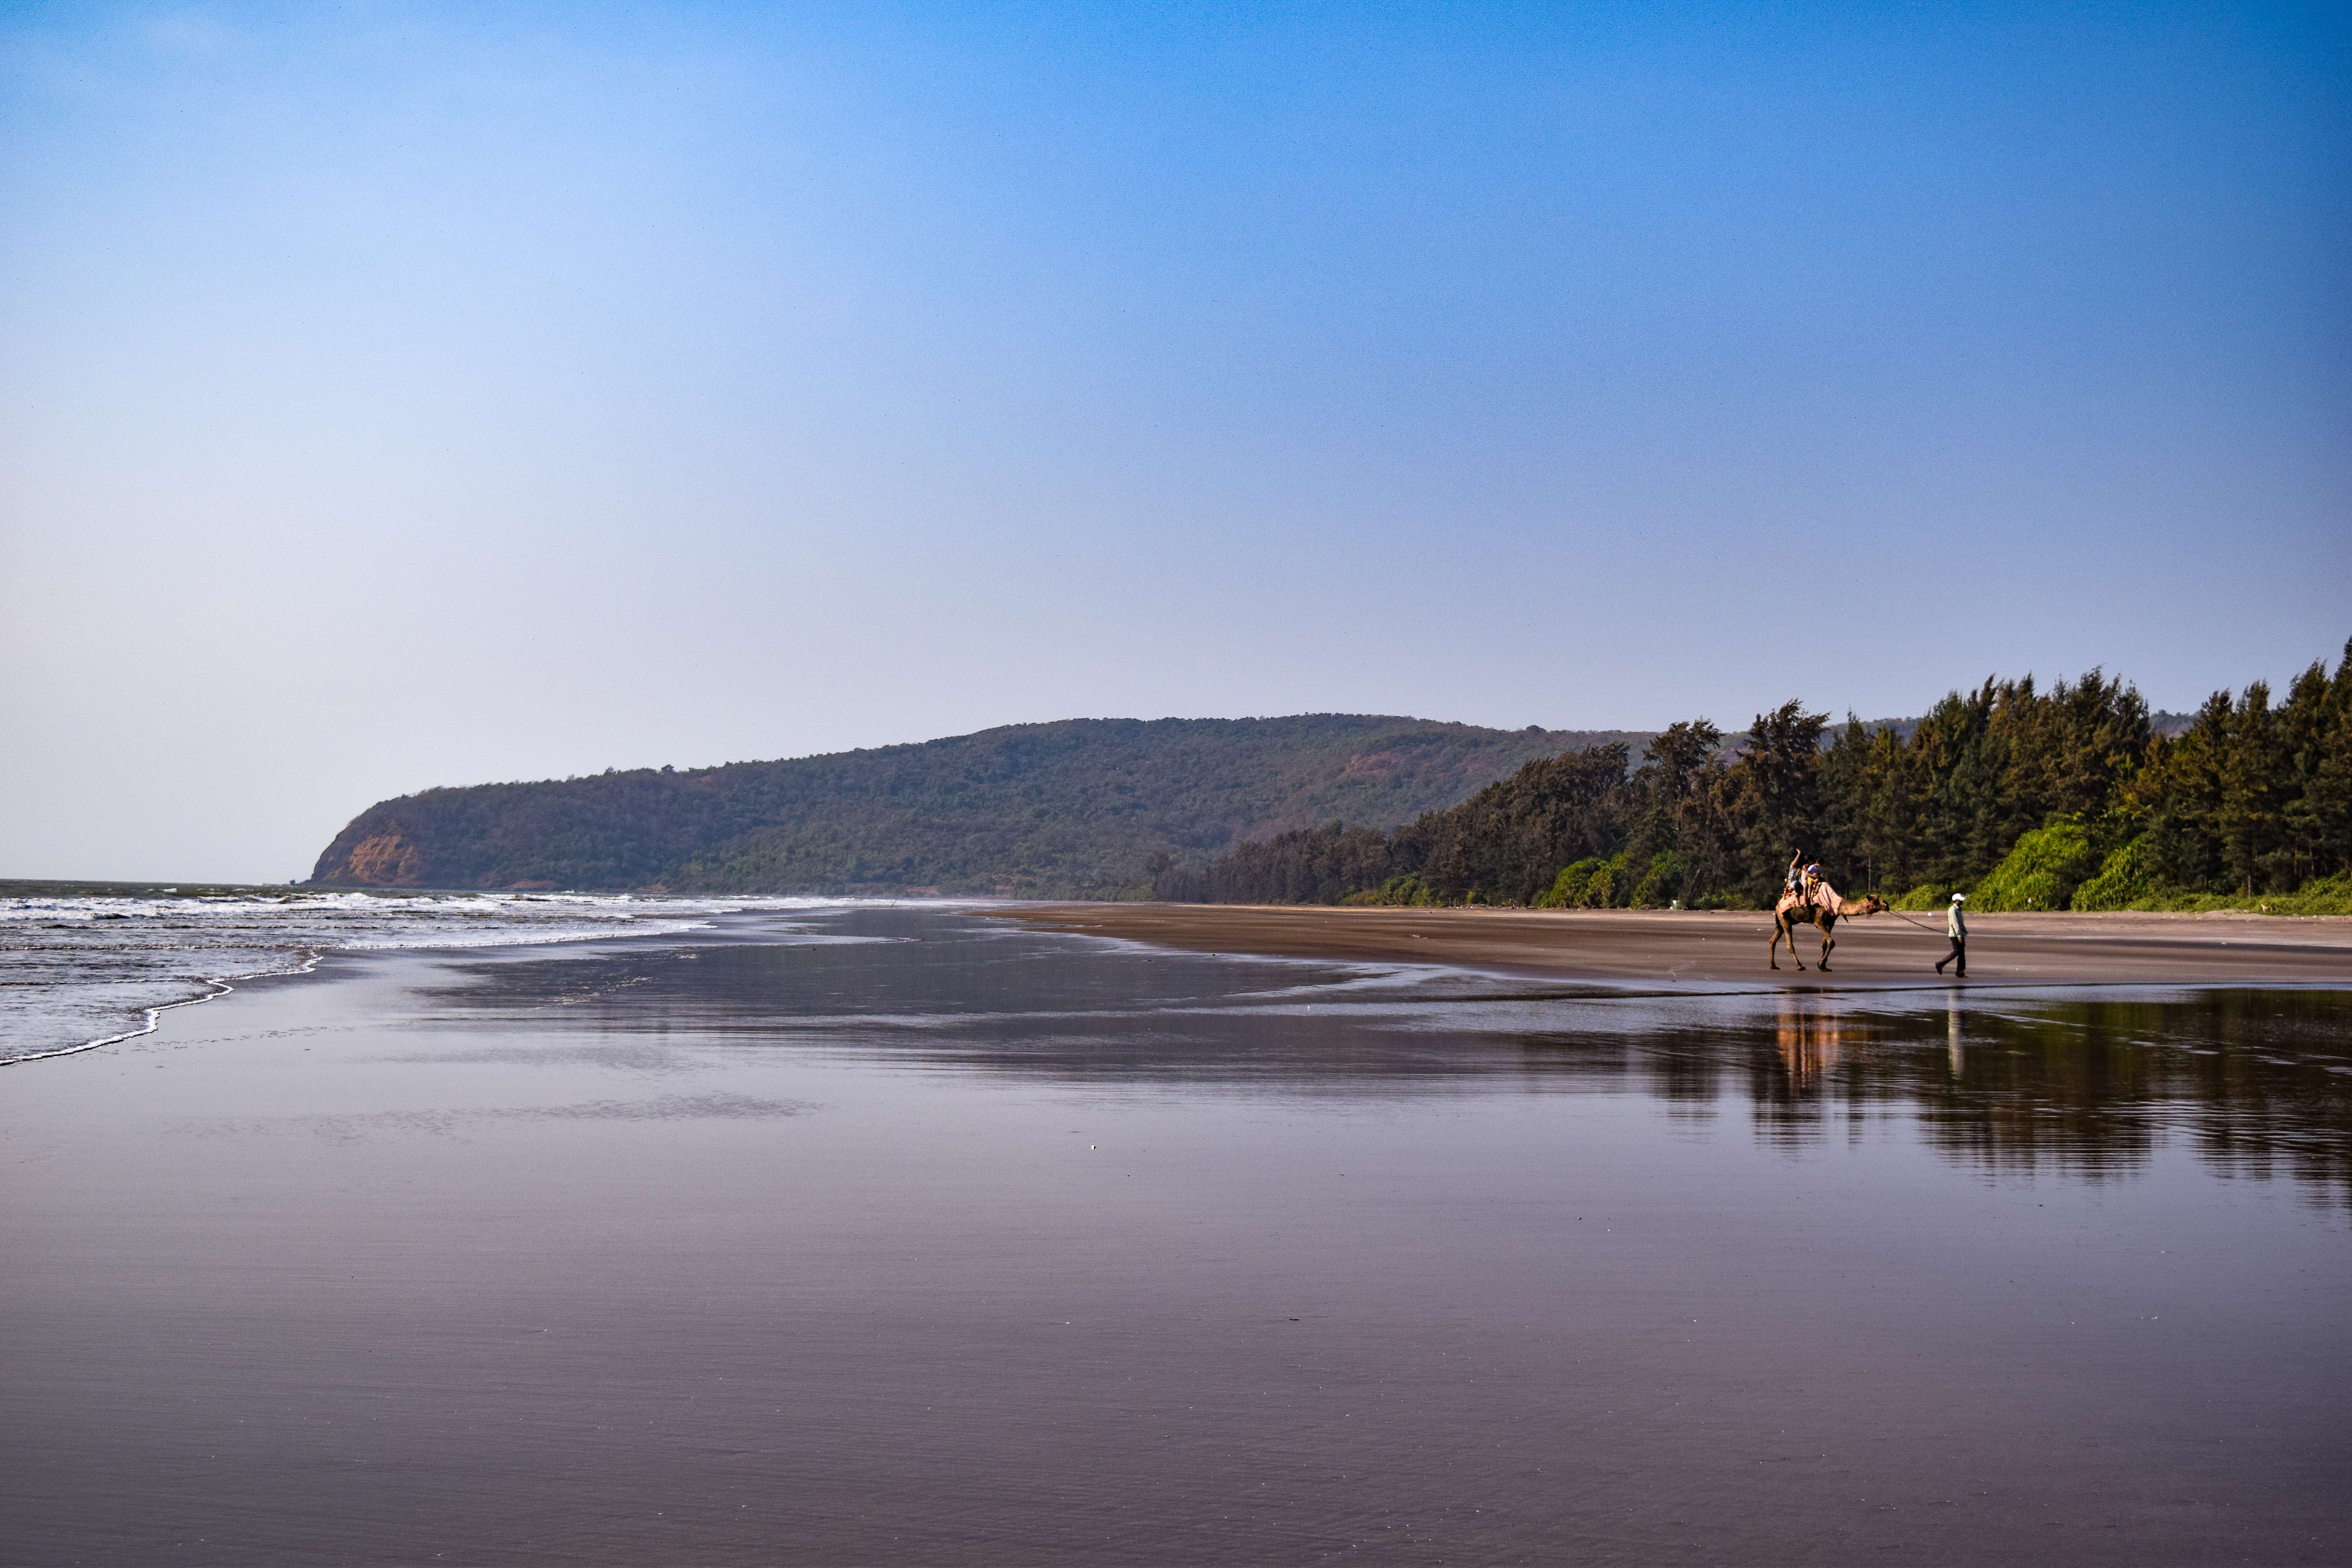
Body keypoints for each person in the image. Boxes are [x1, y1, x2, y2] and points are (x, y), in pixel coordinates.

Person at [1935, 893, 1967, 977]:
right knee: (1957, 952)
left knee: (1962, 954)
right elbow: (1955, 924)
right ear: (1957, 901)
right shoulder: (1952, 910)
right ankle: (1939, 964)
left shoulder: (1958, 909)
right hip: (1955, 935)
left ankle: (1960, 972)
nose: (1962, 902)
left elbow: (1960, 924)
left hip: (1960, 934)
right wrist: (1959, 936)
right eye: (1960, 901)